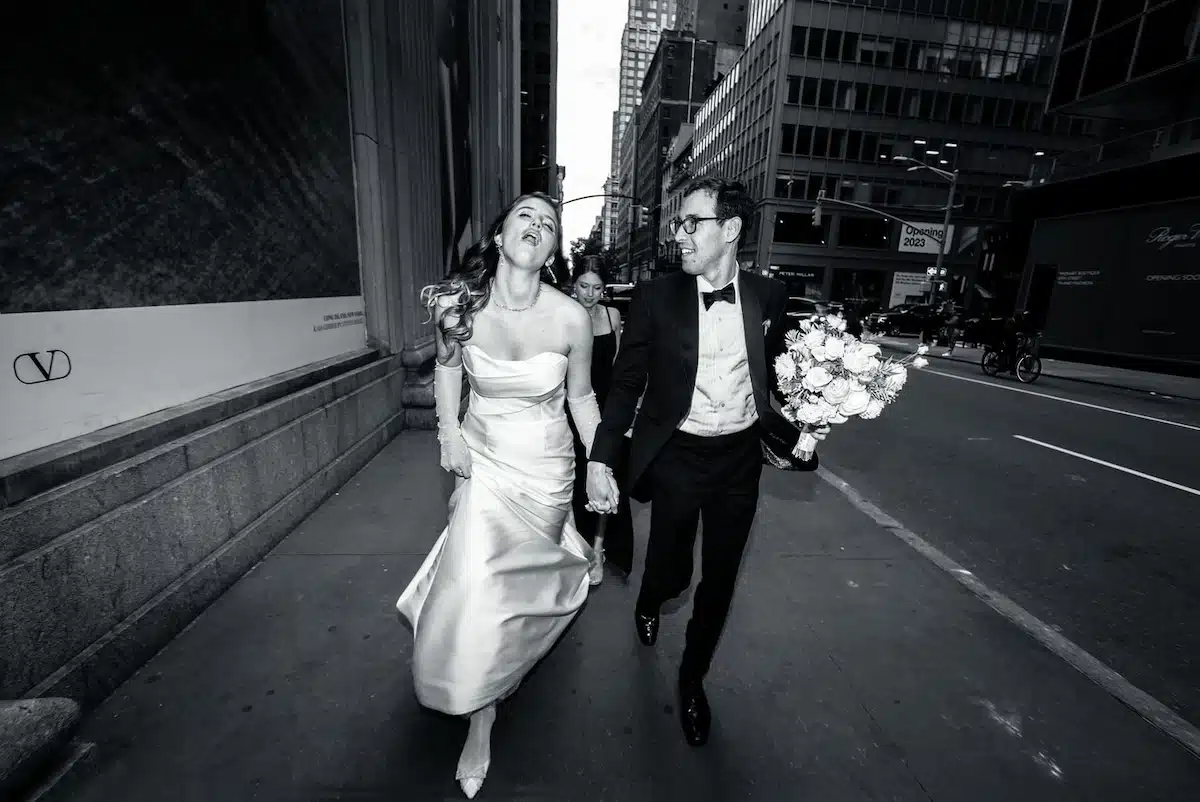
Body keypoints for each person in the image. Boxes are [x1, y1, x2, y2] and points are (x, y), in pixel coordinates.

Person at [586, 177, 830, 748]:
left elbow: (782, 377)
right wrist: (602, 455)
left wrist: (807, 421)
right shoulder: (655, 296)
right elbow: (625, 384)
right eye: (678, 223)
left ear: (731, 231)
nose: (679, 235)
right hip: (677, 452)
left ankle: (692, 678)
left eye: (692, 223)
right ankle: (652, 595)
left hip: (739, 460)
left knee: (719, 578)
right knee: (673, 570)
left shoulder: (770, 296)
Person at [396, 192, 606, 799]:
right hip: (481, 456)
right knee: (480, 578)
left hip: (545, 467)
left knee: (516, 586)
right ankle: (480, 718)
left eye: (549, 223)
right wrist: (448, 436)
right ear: (500, 235)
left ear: (552, 250)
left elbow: (581, 400)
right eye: (525, 216)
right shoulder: (462, 303)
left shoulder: (571, 317)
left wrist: (601, 463)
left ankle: (503, 665)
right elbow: (448, 368)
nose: (536, 226)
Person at [568, 262, 634, 583]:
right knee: (577, 476)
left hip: (607, 410)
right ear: (574, 285)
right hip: (573, 409)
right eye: (584, 286)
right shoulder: (564, 315)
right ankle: (574, 543)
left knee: (607, 475)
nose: (590, 294)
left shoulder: (612, 317)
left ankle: (598, 548)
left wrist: (625, 413)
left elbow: (620, 367)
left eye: (596, 287)